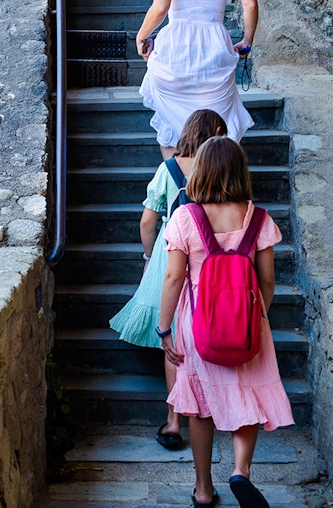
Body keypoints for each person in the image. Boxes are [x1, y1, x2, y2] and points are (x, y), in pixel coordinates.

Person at [157, 136, 292, 508]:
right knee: (247, 393)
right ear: (239, 171)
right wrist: (253, 315)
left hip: (196, 320)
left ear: (201, 169)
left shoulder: (186, 217)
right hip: (247, 321)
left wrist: (165, 328)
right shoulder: (258, 218)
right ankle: (240, 471)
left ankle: (203, 489)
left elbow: (172, 278)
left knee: (199, 406)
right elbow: (267, 281)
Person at [109, 109, 227, 451]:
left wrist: (148, 257)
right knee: (206, 332)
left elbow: (148, 222)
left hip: (172, 253)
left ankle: (175, 422)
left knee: (174, 340)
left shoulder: (170, 169)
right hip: (214, 256)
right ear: (217, 132)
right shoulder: (224, 167)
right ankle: (212, 408)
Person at [136, 0, 257, 161]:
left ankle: (179, 188)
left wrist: (142, 36)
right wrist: (246, 42)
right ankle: (213, 185)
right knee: (217, 127)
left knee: (171, 124)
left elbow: (159, 9)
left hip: (176, 52)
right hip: (215, 49)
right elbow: (249, 4)